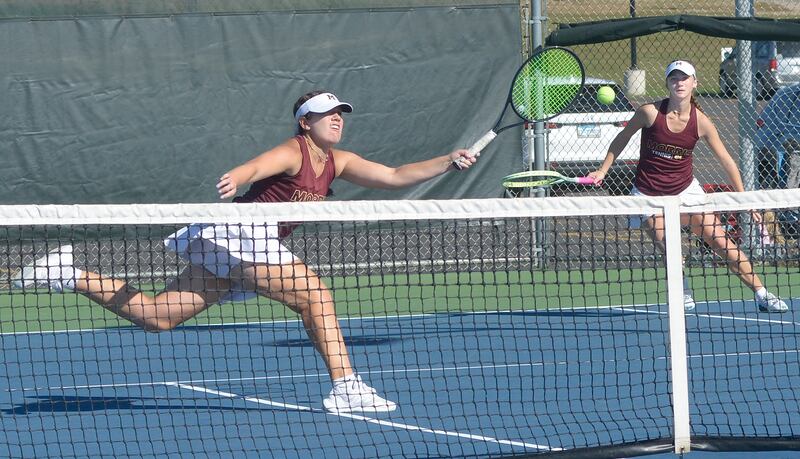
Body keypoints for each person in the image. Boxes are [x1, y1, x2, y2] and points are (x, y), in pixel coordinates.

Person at [12, 89, 478, 412]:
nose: (338, 119)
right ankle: (345, 386)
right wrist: (239, 175)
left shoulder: (340, 161)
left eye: (341, 113)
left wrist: (449, 160)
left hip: (242, 243)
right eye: (327, 113)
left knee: (158, 316)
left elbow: (396, 176)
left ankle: (67, 272)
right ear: (305, 122)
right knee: (314, 295)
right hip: (240, 232)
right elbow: (260, 165)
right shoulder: (294, 150)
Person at [589, 60, 788, 313]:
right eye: (674, 78)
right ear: (667, 84)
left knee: (723, 244)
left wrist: (744, 199)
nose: (679, 83)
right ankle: (682, 292)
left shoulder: (701, 121)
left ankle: (762, 294)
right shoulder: (649, 112)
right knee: (670, 248)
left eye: (684, 78)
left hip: (686, 191)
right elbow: (622, 137)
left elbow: (727, 160)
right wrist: (603, 170)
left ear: (695, 83)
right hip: (649, 195)